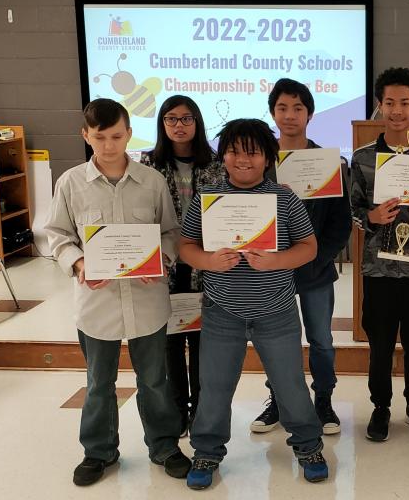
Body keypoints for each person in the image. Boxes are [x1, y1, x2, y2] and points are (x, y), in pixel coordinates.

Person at [46, 98, 191, 486]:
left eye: (116, 136)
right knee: (98, 383)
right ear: (85, 135)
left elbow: (171, 232)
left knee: (155, 380)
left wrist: (158, 259)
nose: (109, 146)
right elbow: (57, 235)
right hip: (97, 304)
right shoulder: (71, 183)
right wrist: (78, 263)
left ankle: (164, 446)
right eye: (99, 137)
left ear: (129, 133)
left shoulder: (152, 182)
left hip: (147, 300)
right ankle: (98, 452)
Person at [179, 119, 329, 488]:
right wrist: (209, 261)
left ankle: (308, 445)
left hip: (276, 311)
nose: (242, 160)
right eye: (233, 151)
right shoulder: (207, 198)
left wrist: (276, 260)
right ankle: (207, 451)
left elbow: (308, 247)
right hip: (222, 311)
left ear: (267, 157)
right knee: (214, 387)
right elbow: (186, 247)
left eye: (253, 152)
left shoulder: (284, 198)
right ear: (223, 155)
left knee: (290, 384)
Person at [249, 79, 352, 436]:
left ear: (310, 113)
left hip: (315, 270)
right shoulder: (259, 163)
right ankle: (278, 399)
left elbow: (341, 222)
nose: (289, 115)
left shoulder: (329, 163)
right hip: (271, 271)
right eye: (282, 108)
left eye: (297, 108)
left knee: (321, 338)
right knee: (277, 339)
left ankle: (323, 400)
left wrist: (316, 257)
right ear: (272, 112)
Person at [350, 67, 409, 442]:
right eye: (389, 102)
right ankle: (380, 407)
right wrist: (370, 217)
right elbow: (353, 208)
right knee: (380, 343)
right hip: (378, 269)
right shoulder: (363, 157)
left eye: (405, 102)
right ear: (379, 106)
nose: (397, 110)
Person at [140, 95, 226, 438]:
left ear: (197, 123)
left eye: (186, 118)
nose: (179, 125)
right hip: (164, 266)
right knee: (170, 343)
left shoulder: (217, 164)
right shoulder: (147, 166)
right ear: (162, 124)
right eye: (171, 119)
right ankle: (177, 410)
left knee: (204, 344)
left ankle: (202, 412)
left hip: (207, 266)